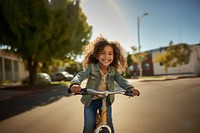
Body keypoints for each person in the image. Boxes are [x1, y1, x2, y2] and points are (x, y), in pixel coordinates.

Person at [69, 35, 140, 133]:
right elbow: (81, 75)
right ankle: (95, 120)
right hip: (91, 100)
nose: (107, 56)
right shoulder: (92, 68)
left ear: (114, 56)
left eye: (110, 53)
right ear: (97, 55)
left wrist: (130, 88)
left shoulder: (113, 71)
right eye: (103, 53)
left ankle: (101, 120)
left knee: (109, 125)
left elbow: (122, 80)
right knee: (88, 127)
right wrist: (75, 84)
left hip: (106, 100)